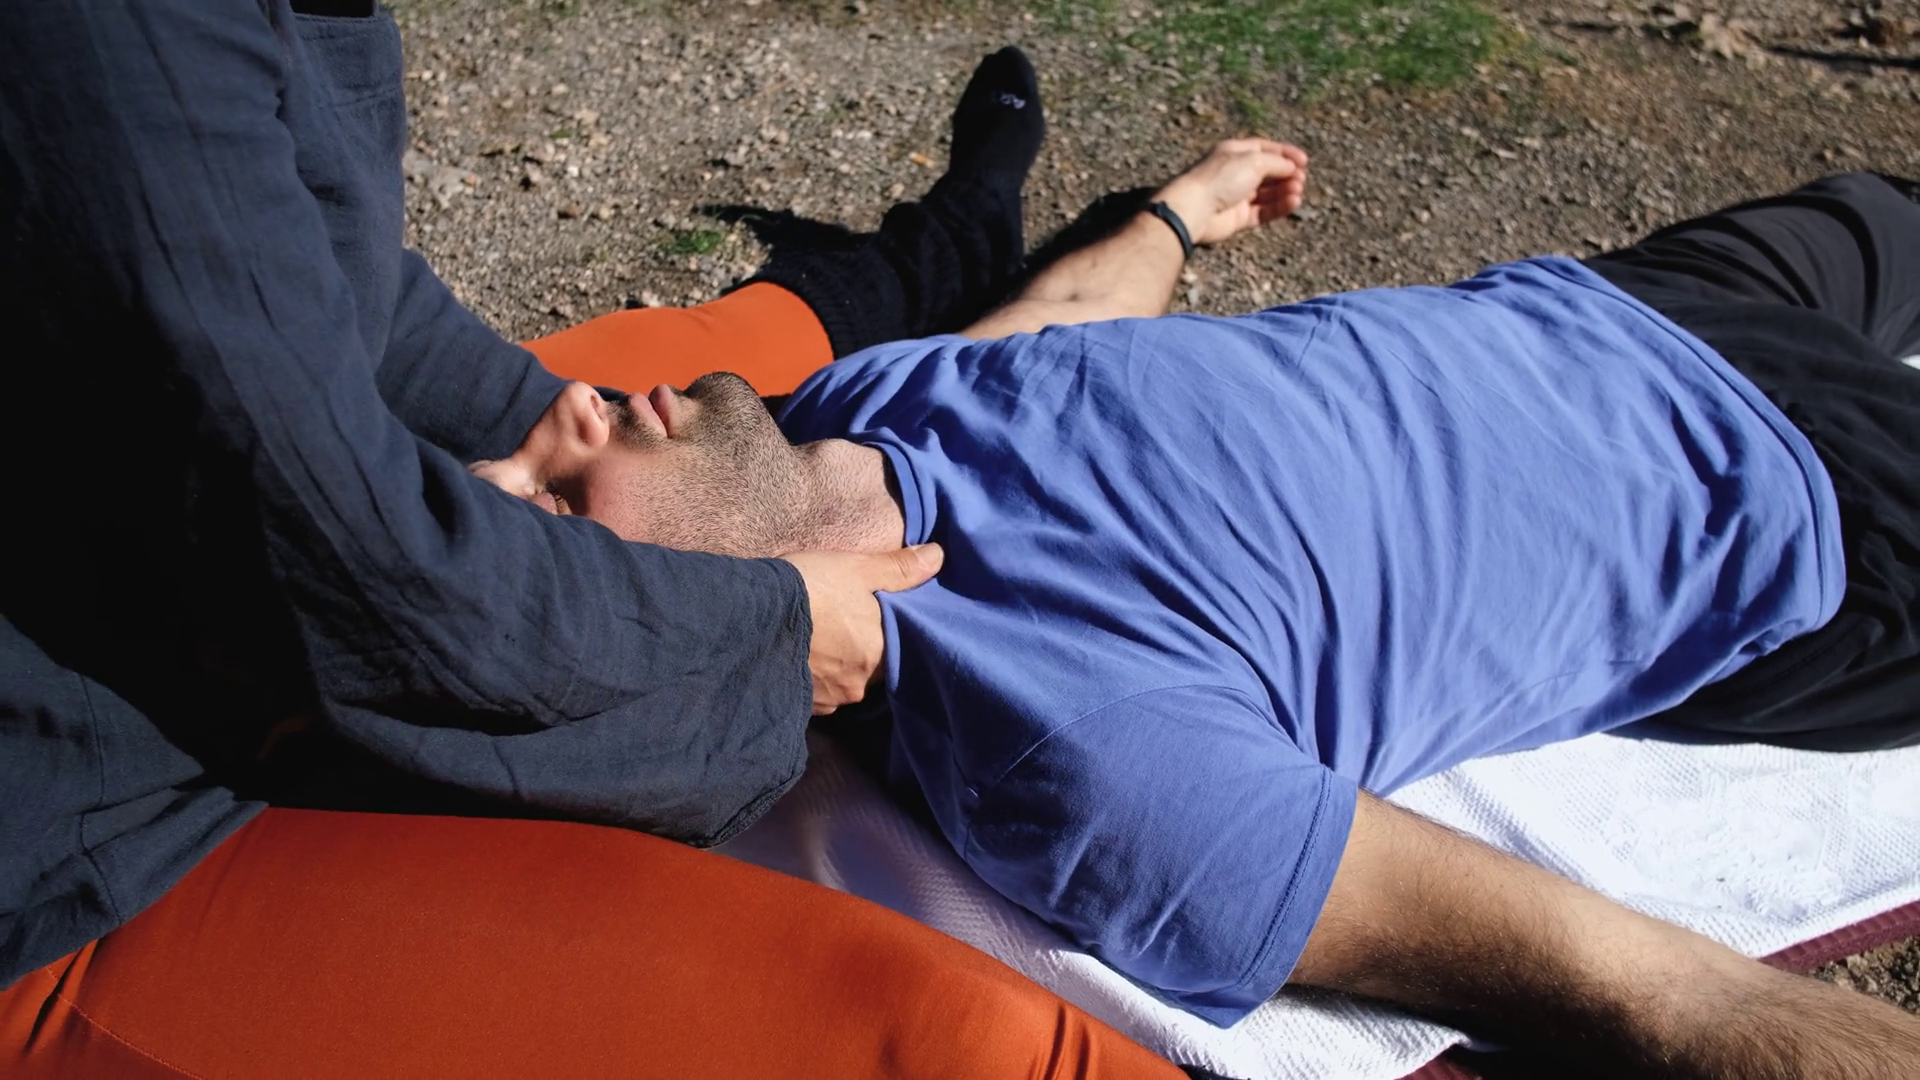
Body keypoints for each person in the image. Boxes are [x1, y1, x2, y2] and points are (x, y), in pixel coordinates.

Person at [486, 136, 1920, 1076]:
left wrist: (1179, 212)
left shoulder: (840, 408)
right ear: (664, 634)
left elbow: (1055, 327)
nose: (566, 415)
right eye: (552, 505)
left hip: (1607, 306)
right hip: (1812, 507)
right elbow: (1658, 994)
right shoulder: (1070, 746)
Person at [2, 3, 1202, 1077]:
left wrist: (585, 447)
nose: (579, 417)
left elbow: (347, 283)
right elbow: (352, 574)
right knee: (970, 1044)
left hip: (212, 580)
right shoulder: (107, 38)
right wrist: (776, 635)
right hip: (75, 849)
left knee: (705, 362)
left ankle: (955, 234)